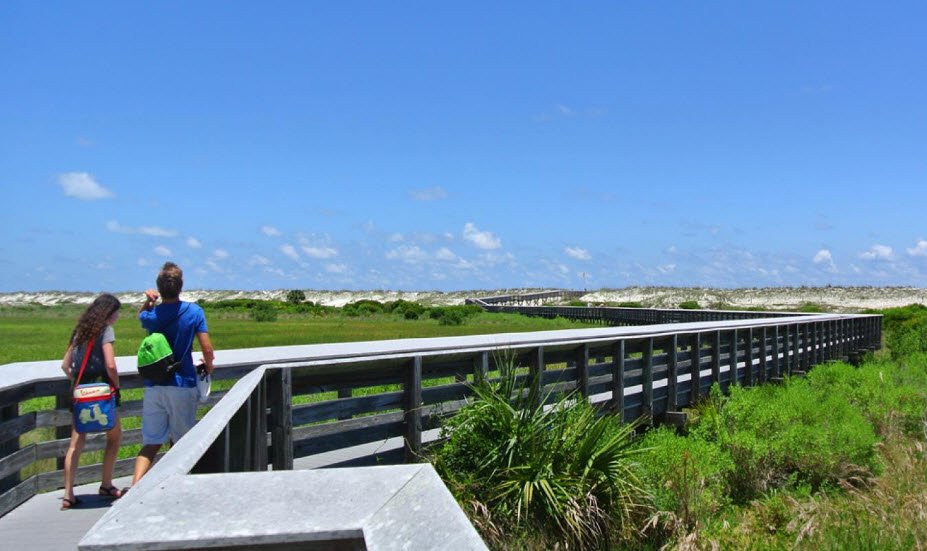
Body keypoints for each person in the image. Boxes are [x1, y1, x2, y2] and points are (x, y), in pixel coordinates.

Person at [131, 262, 214, 486]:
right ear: (181, 286)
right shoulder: (194, 312)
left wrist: (149, 301)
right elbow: (207, 349)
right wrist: (209, 366)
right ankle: (176, 485)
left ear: (160, 287)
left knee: (151, 442)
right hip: (182, 383)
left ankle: (135, 486)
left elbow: (141, 317)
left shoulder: (152, 315)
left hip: (154, 385)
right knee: (182, 443)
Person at [60, 293, 124, 509]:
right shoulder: (106, 330)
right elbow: (111, 365)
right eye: (116, 312)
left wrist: (79, 381)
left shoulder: (80, 331)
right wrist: (116, 386)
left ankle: (68, 494)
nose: (117, 316)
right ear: (109, 313)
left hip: (80, 392)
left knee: (75, 444)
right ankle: (106, 484)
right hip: (102, 391)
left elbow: (65, 365)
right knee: (114, 437)